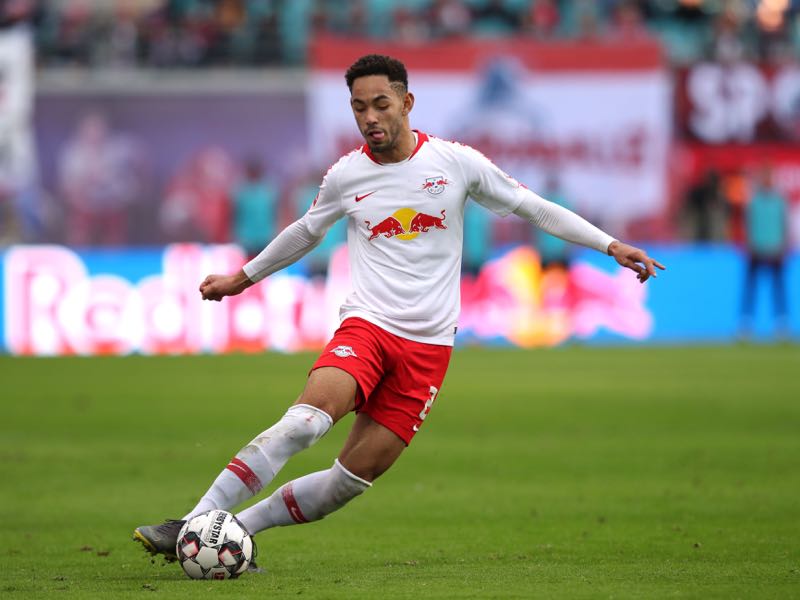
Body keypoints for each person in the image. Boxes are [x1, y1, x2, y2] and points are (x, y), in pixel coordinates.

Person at [133, 54, 665, 563]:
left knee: (348, 482)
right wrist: (241, 278)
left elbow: (533, 207)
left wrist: (610, 244)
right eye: (359, 107)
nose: (370, 117)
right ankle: (192, 523)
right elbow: (305, 231)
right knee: (304, 424)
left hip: (428, 348)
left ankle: (234, 533)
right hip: (367, 326)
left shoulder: (455, 164)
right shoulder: (347, 175)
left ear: (407, 102)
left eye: (381, 104)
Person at [741, 166, 789, 337]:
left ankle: (781, 323)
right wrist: (750, 245)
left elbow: (784, 225)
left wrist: (783, 246)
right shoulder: (755, 201)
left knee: (778, 288)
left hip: (775, 250)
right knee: (751, 288)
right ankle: (746, 323)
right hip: (757, 250)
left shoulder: (779, 201)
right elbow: (748, 225)